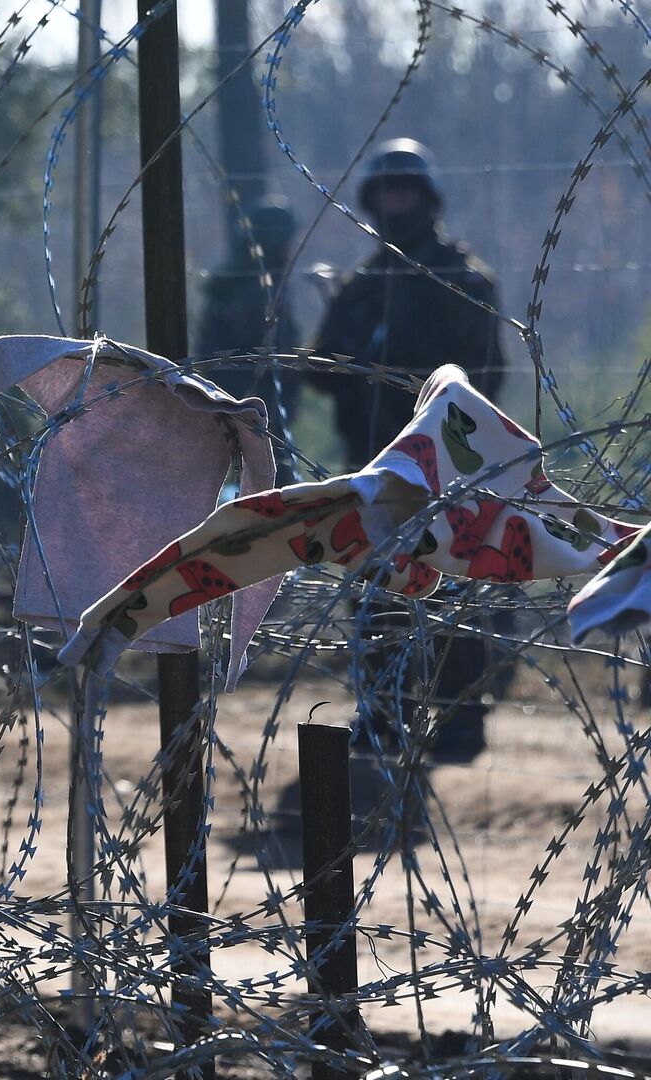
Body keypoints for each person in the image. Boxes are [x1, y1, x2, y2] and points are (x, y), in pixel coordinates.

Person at [313, 139, 509, 759]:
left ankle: (458, 720)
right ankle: (384, 713)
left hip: (441, 464)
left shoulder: (460, 277)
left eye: (406, 193)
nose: (396, 203)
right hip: (372, 465)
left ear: (426, 201)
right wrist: (356, 368)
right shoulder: (364, 285)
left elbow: (486, 373)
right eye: (387, 193)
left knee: (449, 588)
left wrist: (407, 382)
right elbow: (319, 367)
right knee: (375, 589)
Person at [196, 195, 302, 480]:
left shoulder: (232, 286)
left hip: (232, 413)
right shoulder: (260, 294)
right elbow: (273, 359)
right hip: (257, 415)